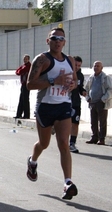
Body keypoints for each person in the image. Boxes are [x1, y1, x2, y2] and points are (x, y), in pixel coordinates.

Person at [26, 27, 78, 200]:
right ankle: (32, 161)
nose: (58, 41)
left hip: (63, 105)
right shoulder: (42, 59)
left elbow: (75, 81)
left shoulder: (70, 60)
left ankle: (67, 183)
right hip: (45, 107)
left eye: (61, 38)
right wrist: (52, 80)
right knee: (44, 143)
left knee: (64, 143)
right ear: (48, 41)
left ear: (64, 42)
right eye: (54, 38)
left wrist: (71, 85)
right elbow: (30, 84)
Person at [84, 61, 112, 146]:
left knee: (102, 122)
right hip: (92, 102)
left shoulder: (105, 77)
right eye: (95, 66)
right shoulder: (91, 77)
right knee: (93, 121)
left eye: (98, 66)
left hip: (101, 102)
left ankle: (102, 139)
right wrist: (88, 98)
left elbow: (110, 90)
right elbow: (86, 89)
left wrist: (103, 99)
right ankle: (94, 137)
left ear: (102, 68)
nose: (96, 67)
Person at [69, 56, 86, 153]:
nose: (77, 67)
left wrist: (83, 91)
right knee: (66, 124)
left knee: (75, 123)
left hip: (76, 103)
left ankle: (72, 143)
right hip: (65, 102)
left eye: (79, 65)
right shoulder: (66, 73)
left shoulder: (81, 76)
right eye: (75, 64)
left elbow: (80, 88)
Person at [14, 54, 31, 119]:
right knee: (21, 99)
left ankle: (26, 115)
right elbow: (17, 72)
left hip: (26, 85)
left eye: (26, 59)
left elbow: (21, 71)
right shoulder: (23, 66)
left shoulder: (29, 66)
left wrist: (20, 71)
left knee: (25, 100)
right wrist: (19, 71)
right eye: (24, 59)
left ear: (28, 59)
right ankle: (19, 114)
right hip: (23, 84)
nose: (25, 60)